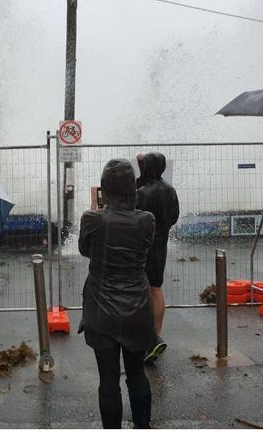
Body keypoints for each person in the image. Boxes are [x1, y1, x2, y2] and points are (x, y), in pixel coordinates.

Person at [79, 159, 157, 429]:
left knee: (108, 380)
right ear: (132, 188)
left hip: (101, 310)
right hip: (136, 308)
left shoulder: (92, 219)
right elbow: (144, 253)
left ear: (105, 189)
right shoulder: (147, 220)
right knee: (137, 375)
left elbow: (85, 250)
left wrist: (97, 211)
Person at [136, 152, 179, 364]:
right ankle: (156, 333)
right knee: (156, 288)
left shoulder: (142, 192)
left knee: (142, 291)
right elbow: (174, 217)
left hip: (143, 247)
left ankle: (148, 339)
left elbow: (134, 216)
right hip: (161, 245)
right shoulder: (170, 190)